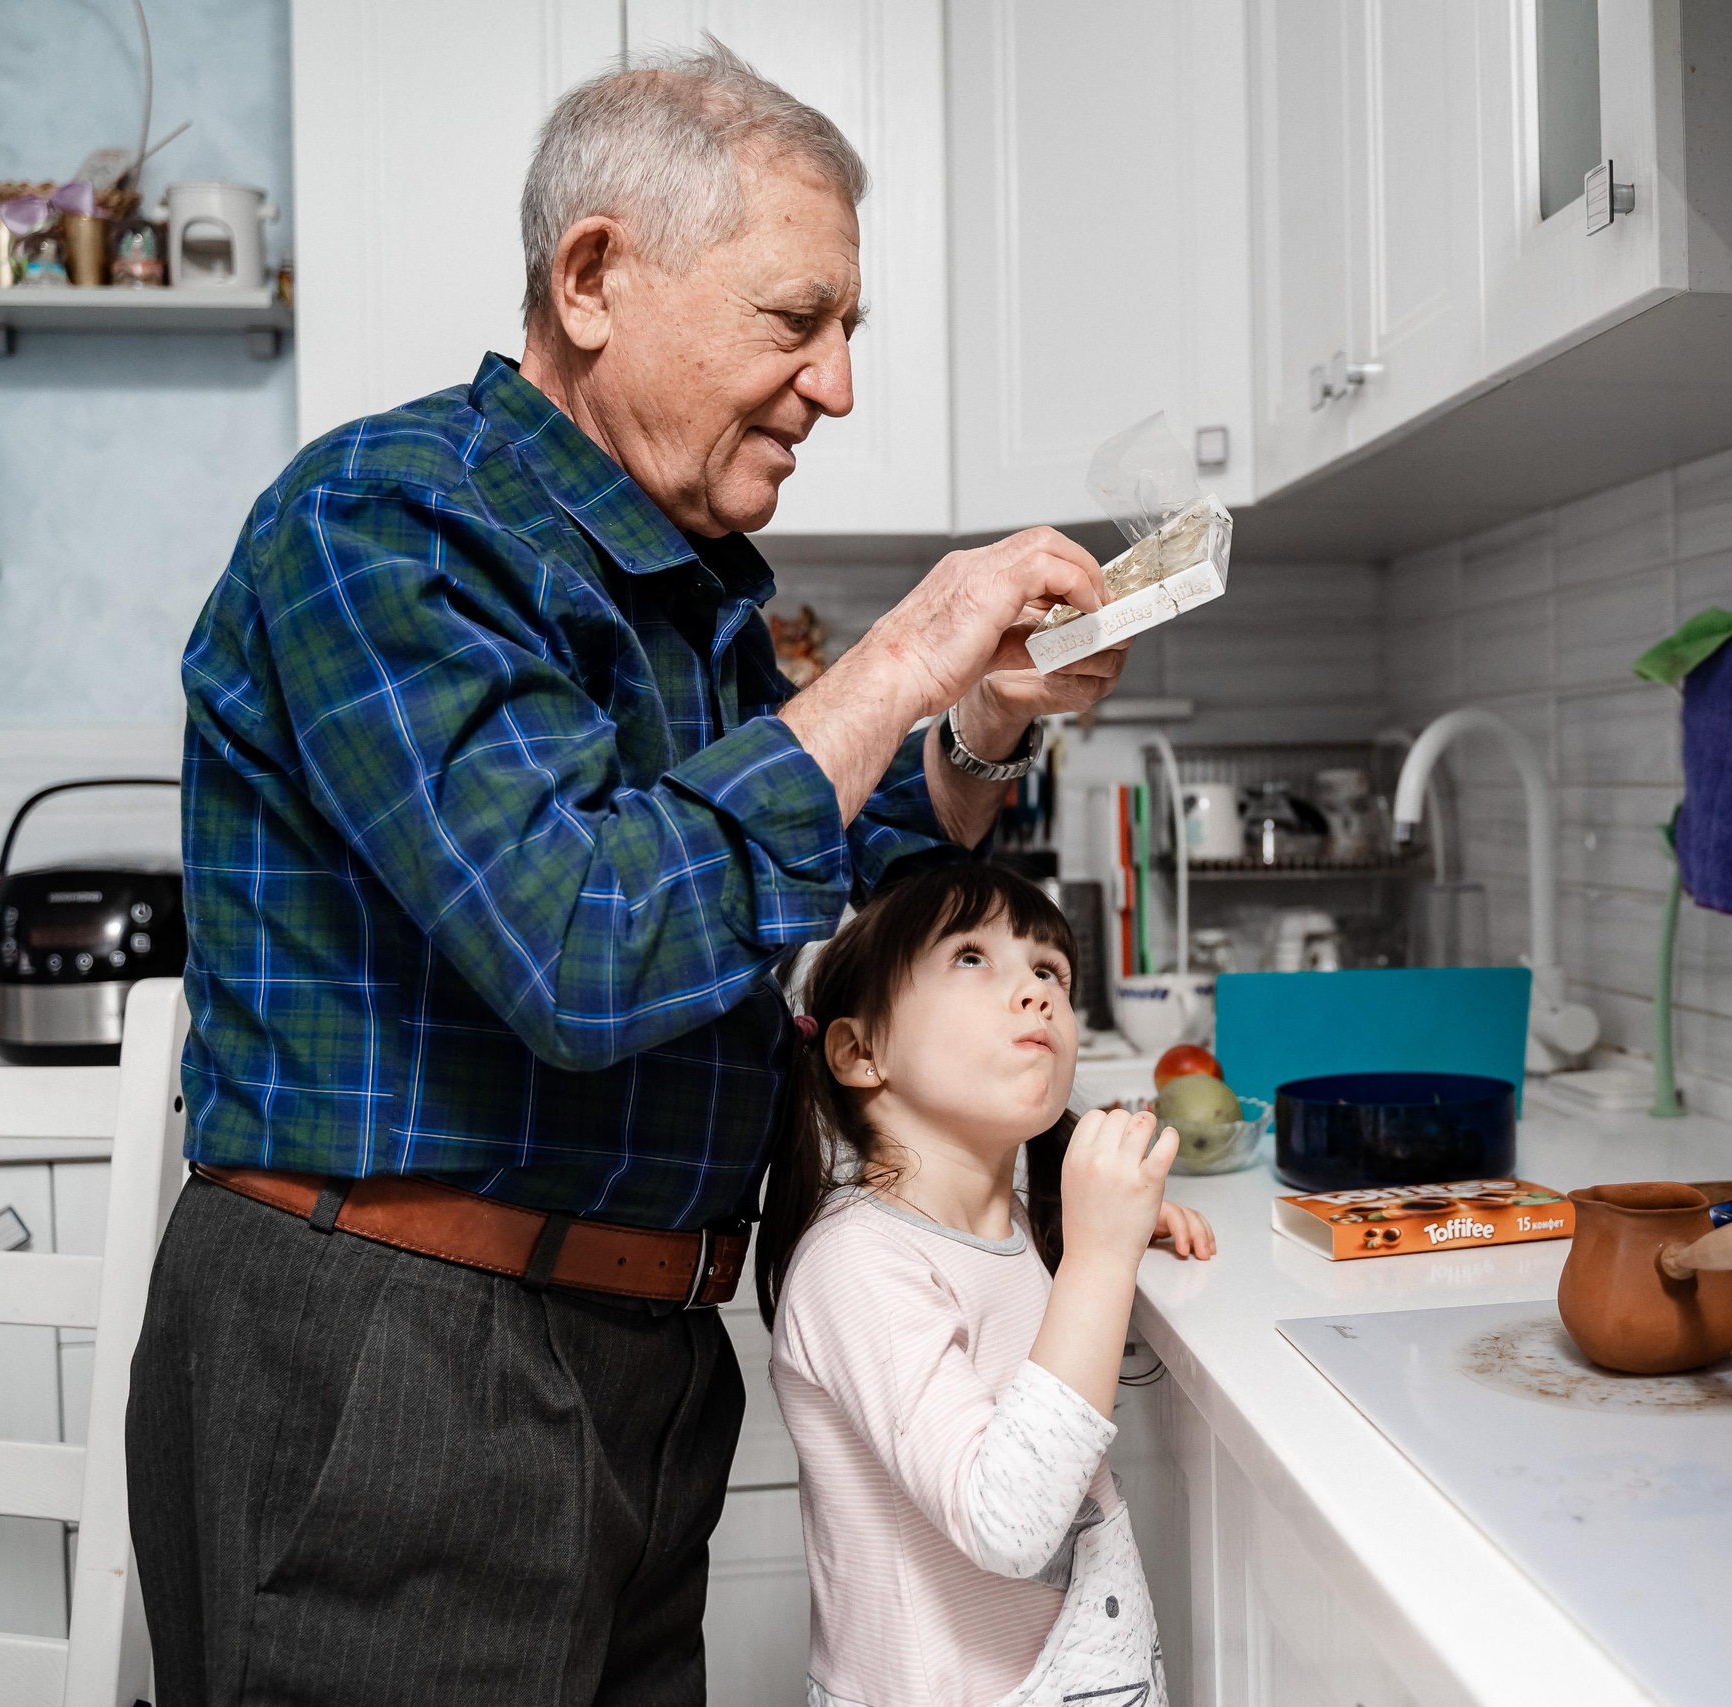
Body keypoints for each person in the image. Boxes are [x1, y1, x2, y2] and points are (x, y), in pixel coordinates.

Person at [128, 39, 1136, 1706]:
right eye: (795, 321)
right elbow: (588, 943)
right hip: (397, 1353)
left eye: (851, 333)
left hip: (638, 1359)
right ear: (595, 276)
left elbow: (821, 881)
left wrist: (975, 731)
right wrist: (899, 657)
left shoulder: (685, 593)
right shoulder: (383, 526)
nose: (838, 384)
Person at [759, 863, 1215, 1707]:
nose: (1037, 991)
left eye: (1051, 971)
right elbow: (1005, 1522)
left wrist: (1107, 1235)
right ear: (862, 1052)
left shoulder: (1002, 1228)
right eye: (973, 957)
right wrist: (1098, 1261)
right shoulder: (857, 1264)